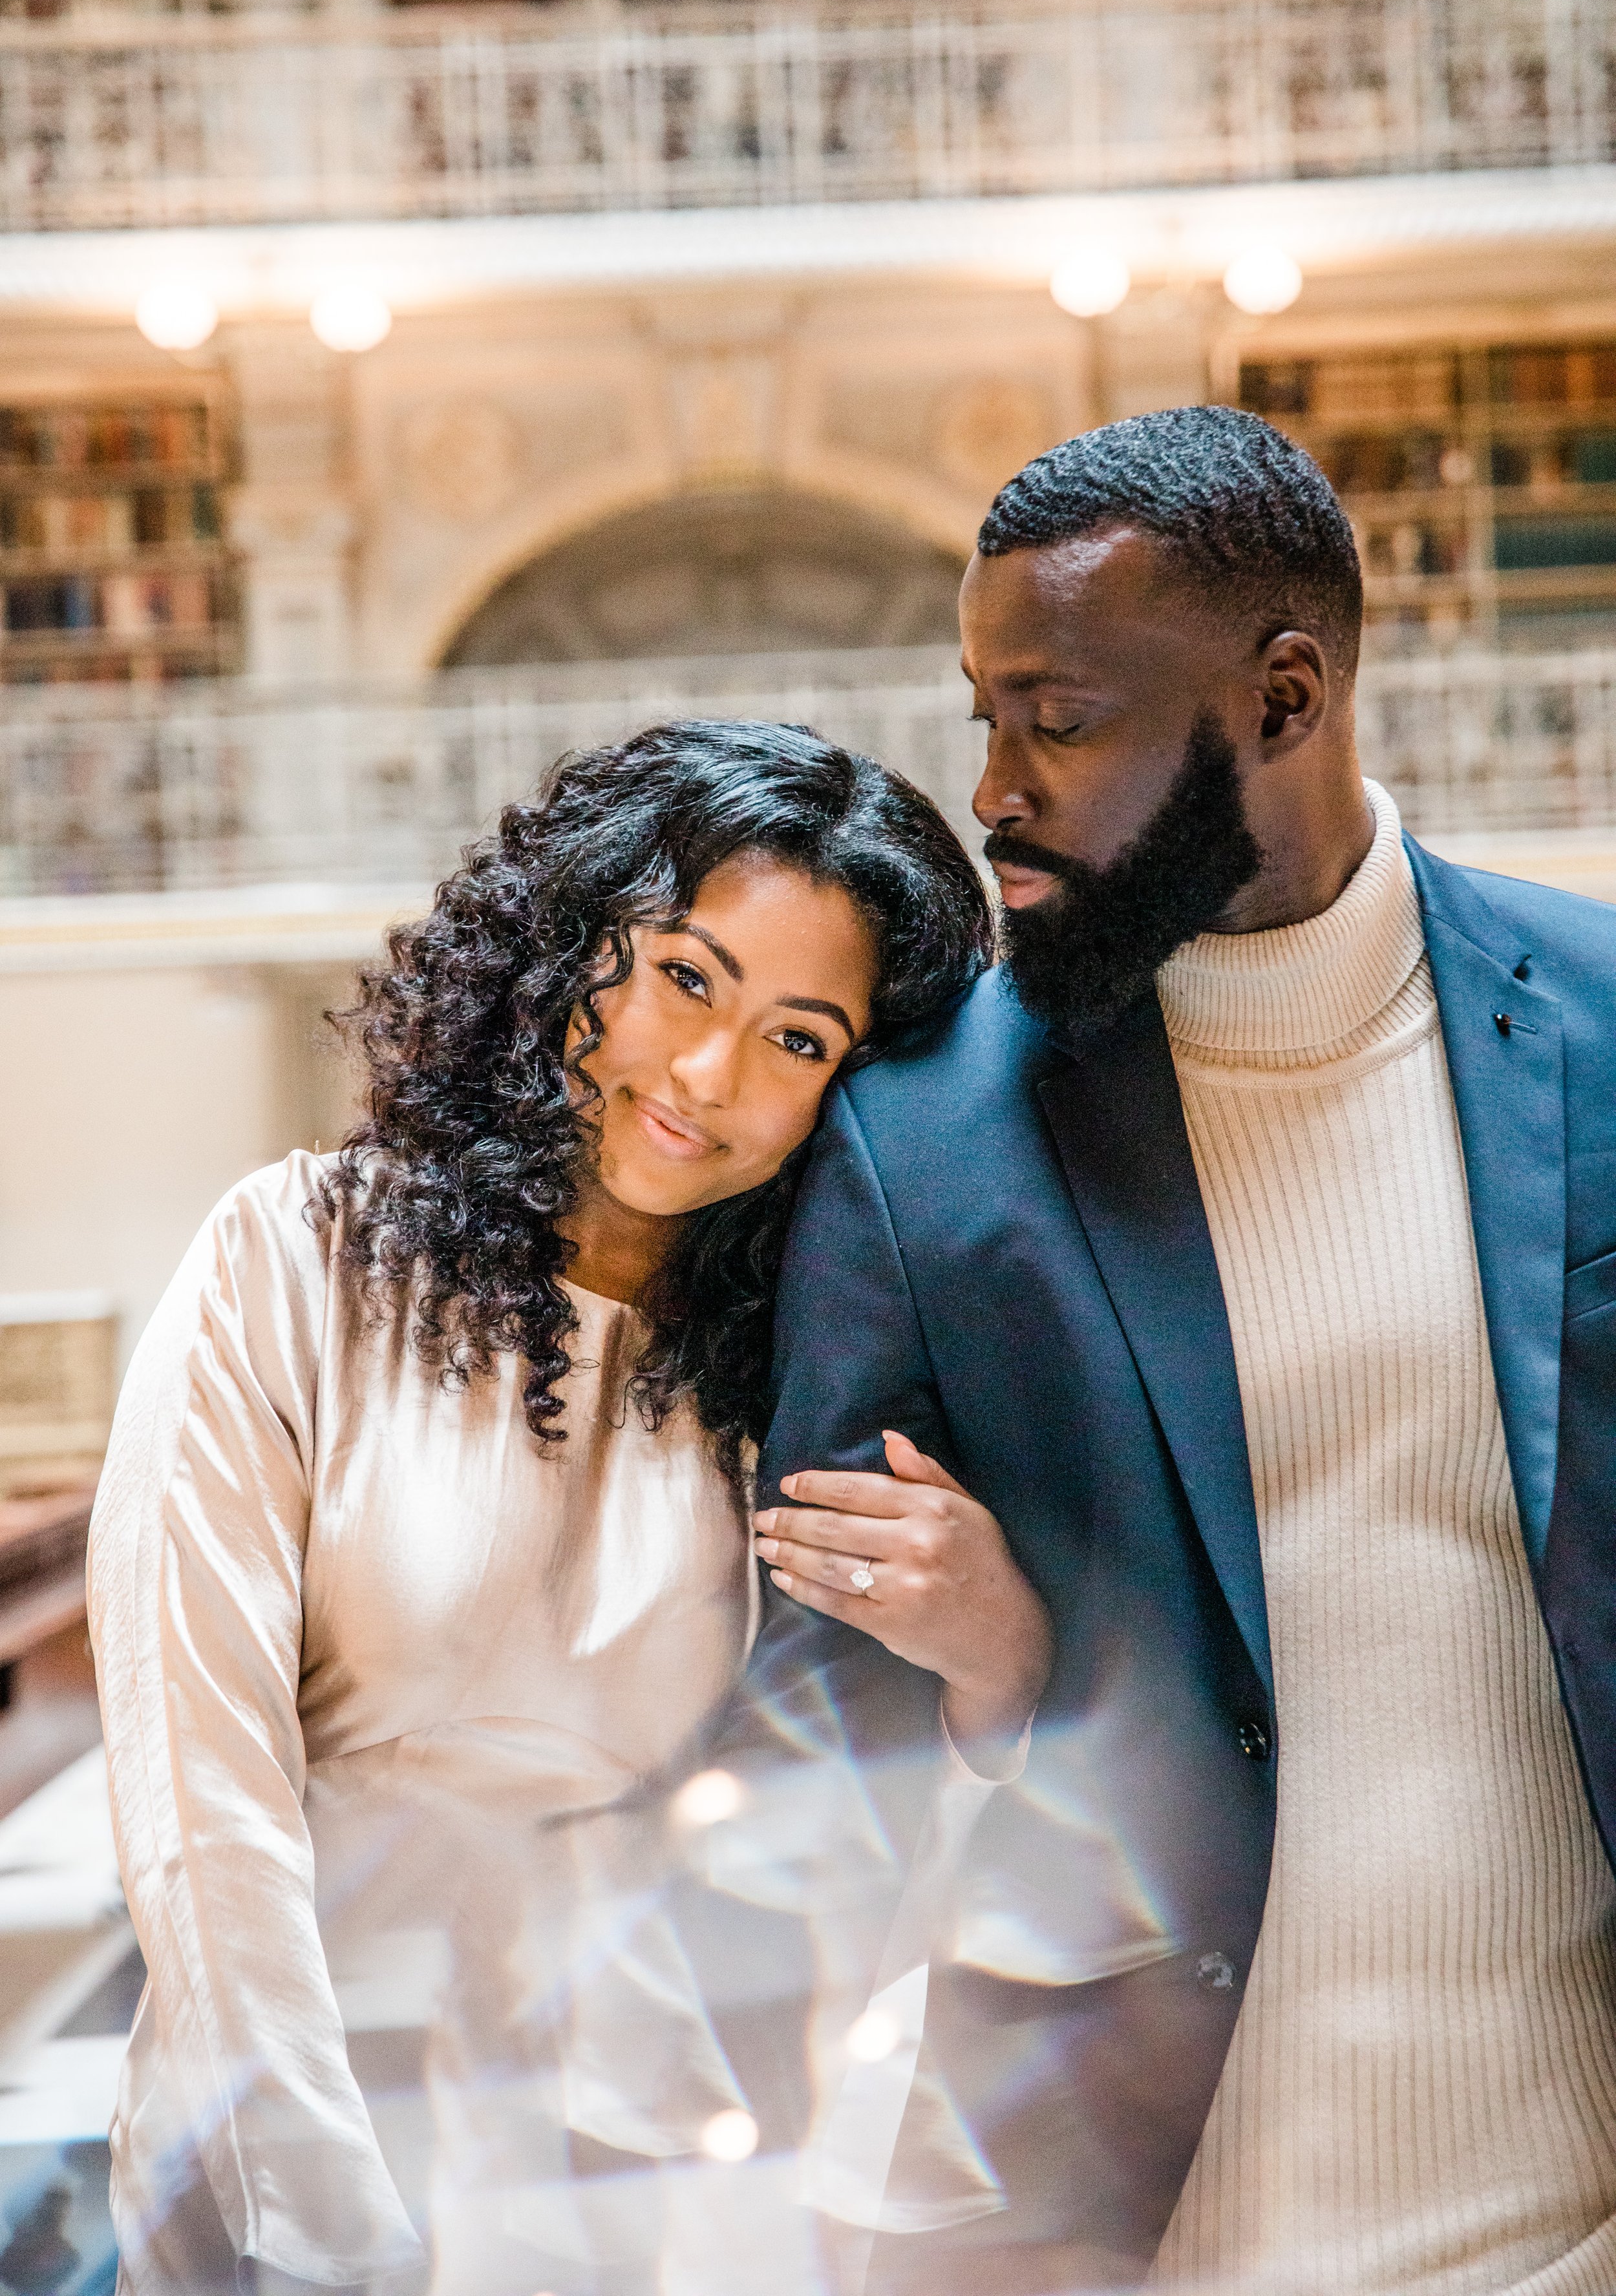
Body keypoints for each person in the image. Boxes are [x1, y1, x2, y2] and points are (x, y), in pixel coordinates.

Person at [754, 406, 1616, 2295]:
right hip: (1153, 2233)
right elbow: (813, 1733)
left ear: (1283, 701)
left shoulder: (1605, 1028)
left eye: (1053, 720)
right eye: (982, 713)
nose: (990, 787)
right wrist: (992, 1675)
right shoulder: (918, 1140)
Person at [87, 719, 1050, 2296]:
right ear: (569, 937)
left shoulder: (792, 1379)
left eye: (800, 1040)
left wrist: (1003, 1664)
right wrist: (327, 2226)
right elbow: (204, 1813)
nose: (707, 1076)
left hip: (628, 2184)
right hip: (285, 2160)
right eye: (684, 975)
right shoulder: (294, 1258)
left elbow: (845, 1849)